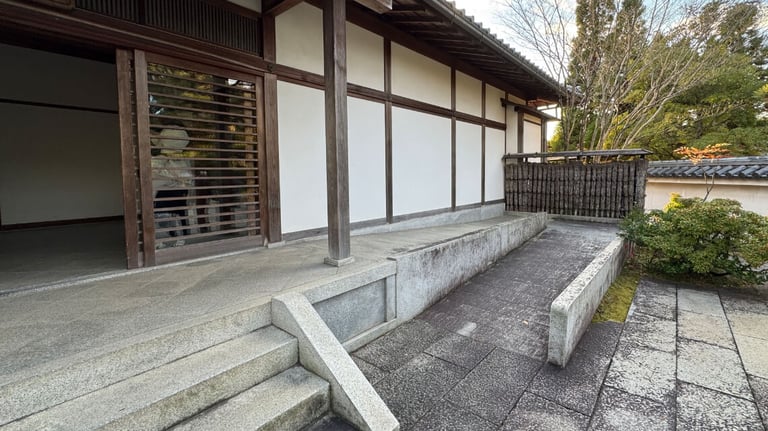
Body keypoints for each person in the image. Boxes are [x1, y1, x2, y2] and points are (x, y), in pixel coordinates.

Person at [151, 127, 193, 247]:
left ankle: (162, 240)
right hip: (177, 193)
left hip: (165, 193)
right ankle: (179, 237)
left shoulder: (158, 161)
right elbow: (187, 179)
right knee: (177, 215)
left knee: (162, 216)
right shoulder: (184, 161)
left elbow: (154, 178)